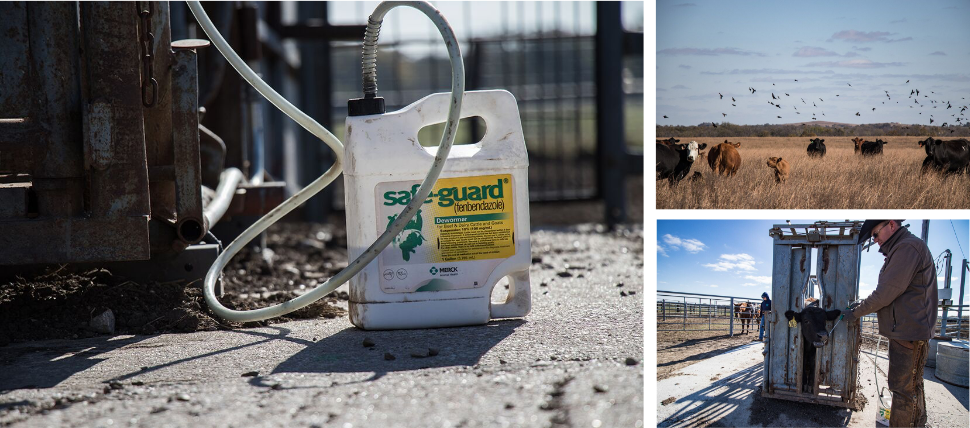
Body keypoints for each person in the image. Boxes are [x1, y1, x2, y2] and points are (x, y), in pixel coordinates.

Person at [842, 219, 938, 428]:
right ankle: (919, 423)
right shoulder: (904, 247)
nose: (875, 240)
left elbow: (885, 293)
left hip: (908, 332)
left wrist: (856, 313)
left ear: (892, 225)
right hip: (909, 330)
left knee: (901, 389)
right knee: (912, 385)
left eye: (876, 234)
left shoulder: (906, 248)